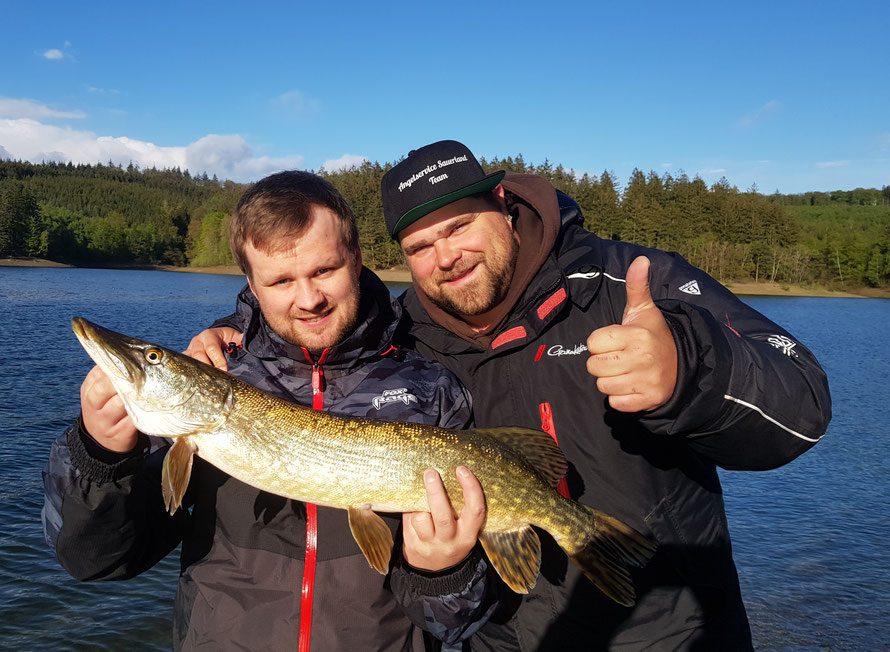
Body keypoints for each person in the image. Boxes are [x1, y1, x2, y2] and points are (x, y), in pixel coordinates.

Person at [373, 140, 832, 650]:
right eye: (418, 248)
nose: (446, 257)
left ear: (502, 204)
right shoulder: (400, 340)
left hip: (672, 638)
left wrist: (689, 370)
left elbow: (804, 408)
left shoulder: (630, 282)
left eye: (458, 227)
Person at [42, 171, 498, 651]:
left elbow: (456, 626)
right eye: (281, 280)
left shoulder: (431, 389)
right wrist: (101, 456)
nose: (309, 299)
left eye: (324, 270)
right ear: (252, 286)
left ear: (356, 258)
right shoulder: (216, 372)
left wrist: (444, 571)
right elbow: (96, 560)